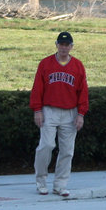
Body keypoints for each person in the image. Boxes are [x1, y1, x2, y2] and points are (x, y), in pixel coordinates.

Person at [30, 31, 89, 198]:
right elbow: (37, 88)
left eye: (67, 45)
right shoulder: (45, 64)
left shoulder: (77, 65)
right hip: (49, 110)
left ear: (71, 46)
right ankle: (41, 181)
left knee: (67, 150)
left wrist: (81, 114)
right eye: (61, 44)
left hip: (70, 112)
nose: (64, 48)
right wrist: (37, 110)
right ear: (56, 45)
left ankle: (60, 184)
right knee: (46, 145)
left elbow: (83, 91)